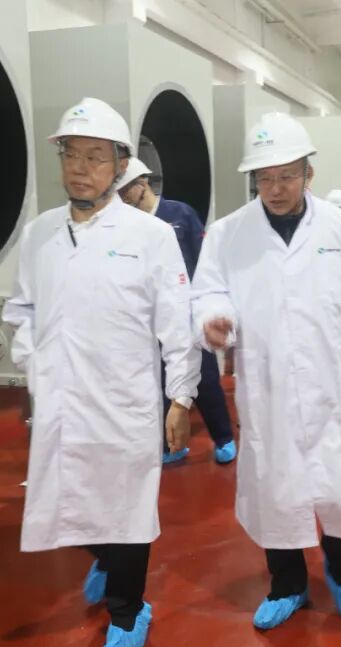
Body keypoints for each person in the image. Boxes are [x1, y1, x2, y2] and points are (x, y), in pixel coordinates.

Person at [2, 98, 199, 647]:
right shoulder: (40, 233)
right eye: (71, 155)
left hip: (123, 398)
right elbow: (21, 310)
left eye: (95, 156)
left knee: (127, 505)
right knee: (70, 497)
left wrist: (180, 397)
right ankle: (108, 558)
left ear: (119, 166)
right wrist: (34, 365)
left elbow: (176, 321)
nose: (80, 168)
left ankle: (128, 608)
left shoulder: (149, 235)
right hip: (61, 397)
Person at [191, 112, 341, 630]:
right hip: (267, 384)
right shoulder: (229, 233)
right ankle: (287, 585)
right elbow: (207, 291)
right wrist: (214, 320)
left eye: (287, 176)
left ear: (308, 174)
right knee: (275, 490)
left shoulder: (339, 227)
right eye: (265, 178)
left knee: (337, 489)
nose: (275, 189)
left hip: (329, 381)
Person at [117, 158, 238, 462]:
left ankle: (223, 437)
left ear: (143, 183)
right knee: (161, 380)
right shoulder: (128, 225)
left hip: (189, 310)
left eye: (126, 189)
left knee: (205, 378)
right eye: (118, 192)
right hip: (153, 316)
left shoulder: (180, 214)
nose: (122, 196)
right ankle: (173, 444)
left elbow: (204, 261)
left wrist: (203, 305)